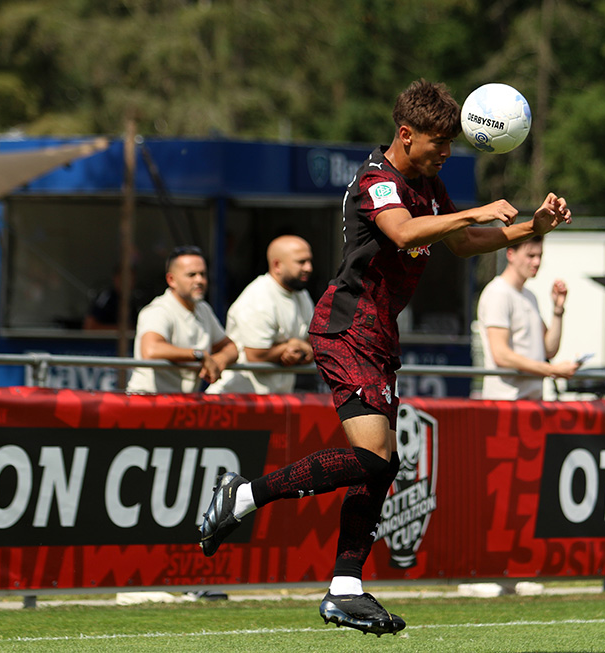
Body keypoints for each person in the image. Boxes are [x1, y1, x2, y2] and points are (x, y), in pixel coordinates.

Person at [198, 79, 572, 636]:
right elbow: (402, 233)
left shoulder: (428, 182)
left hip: (377, 337)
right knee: (374, 458)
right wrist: (474, 212)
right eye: (438, 143)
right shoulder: (378, 179)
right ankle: (244, 496)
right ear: (406, 134)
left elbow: (465, 246)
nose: (446, 153)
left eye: (450, 145)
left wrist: (529, 228)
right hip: (344, 328)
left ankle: (345, 588)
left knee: (382, 463)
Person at [206, 235, 315, 395]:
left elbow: (311, 342)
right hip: (238, 399)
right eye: (301, 262)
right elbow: (255, 355)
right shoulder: (258, 298)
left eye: (309, 261)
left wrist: (300, 350)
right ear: (277, 265)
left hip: (276, 399)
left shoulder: (302, 295)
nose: (309, 268)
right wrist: (288, 348)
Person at [476, 236, 579, 400]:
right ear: (511, 254)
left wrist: (558, 310)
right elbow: (501, 355)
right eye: (531, 255)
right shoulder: (498, 293)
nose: (537, 262)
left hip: (531, 401)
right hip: (506, 401)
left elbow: (548, 349)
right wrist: (552, 370)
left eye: (540, 255)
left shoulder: (529, 296)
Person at [125, 245, 238, 394]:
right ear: (171, 280)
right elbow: (151, 350)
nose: (200, 280)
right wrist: (199, 355)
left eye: (203, 274)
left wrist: (219, 360)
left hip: (182, 403)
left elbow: (231, 347)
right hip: (148, 401)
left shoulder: (203, 309)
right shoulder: (159, 310)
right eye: (191, 275)